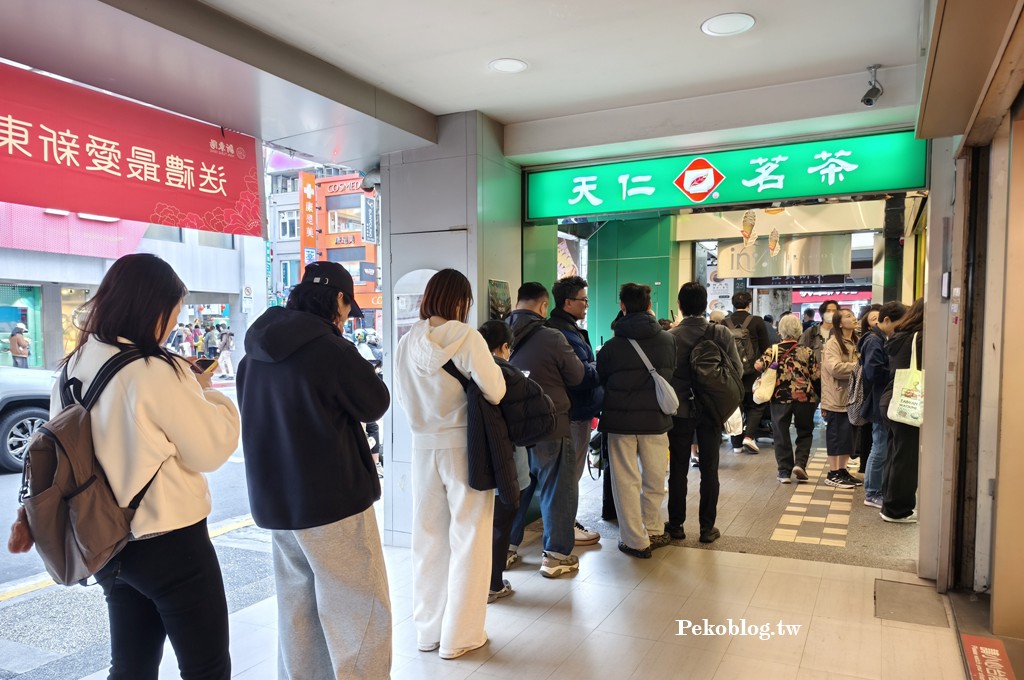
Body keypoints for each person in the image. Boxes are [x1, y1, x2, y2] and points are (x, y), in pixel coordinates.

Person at [28, 254, 240, 679]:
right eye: (172, 316)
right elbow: (211, 450)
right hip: (172, 545)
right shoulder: (155, 370)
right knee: (206, 667)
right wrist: (208, 393)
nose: (171, 327)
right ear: (152, 310)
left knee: (131, 666)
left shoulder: (72, 367)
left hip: (105, 542)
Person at [237, 261, 392, 678]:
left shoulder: (254, 351)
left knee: (297, 612)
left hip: (277, 507)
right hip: (333, 502)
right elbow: (375, 401)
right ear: (340, 300)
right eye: (347, 307)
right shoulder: (332, 348)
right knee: (360, 611)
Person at [394, 269, 505, 660]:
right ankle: (460, 636)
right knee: (470, 538)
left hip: (422, 448)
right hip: (464, 447)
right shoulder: (467, 337)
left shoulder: (406, 342)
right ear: (461, 301)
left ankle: (427, 632)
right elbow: (495, 389)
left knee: (427, 540)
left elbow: (403, 399)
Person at [506, 282, 585, 577]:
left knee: (516, 488)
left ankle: (506, 550)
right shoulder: (552, 336)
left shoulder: (496, 331)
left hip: (512, 426)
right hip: (550, 424)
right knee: (557, 490)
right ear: (542, 306)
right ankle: (555, 556)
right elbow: (577, 376)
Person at [596, 283, 676, 558]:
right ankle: (654, 529)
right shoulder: (668, 340)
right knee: (654, 477)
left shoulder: (610, 347)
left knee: (625, 481)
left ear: (623, 306)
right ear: (649, 306)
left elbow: (602, 380)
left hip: (620, 424)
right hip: (656, 421)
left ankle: (635, 540)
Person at [477, 320, 554, 603]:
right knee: (500, 526)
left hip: (474, 465)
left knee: (479, 527)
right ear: (506, 347)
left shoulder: (468, 371)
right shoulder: (508, 374)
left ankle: (478, 582)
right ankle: (493, 583)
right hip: (508, 464)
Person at [665, 283, 742, 544]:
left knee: (678, 468)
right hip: (710, 410)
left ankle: (676, 525)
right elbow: (737, 372)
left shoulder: (671, 336)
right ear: (705, 303)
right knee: (710, 469)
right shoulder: (720, 333)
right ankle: (707, 529)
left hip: (680, 410)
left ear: (680, 304)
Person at [546, 275, 602, 547]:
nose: (587, 305)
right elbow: (582, 376)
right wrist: (596, 364)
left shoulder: (560, 329)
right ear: (568, 302)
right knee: (569, 476)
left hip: (563, 412)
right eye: (584, 300)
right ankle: (566, 527)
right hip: (573, 413)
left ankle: (561, 525)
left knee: (562, 475)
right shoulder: (564, 334)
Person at [757, 314, 819, 484]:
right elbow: (816, 375)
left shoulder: (773, 350)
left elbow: (758, 365)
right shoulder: (807, 351)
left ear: (780, 331)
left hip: (779, 398)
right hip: (805, 397)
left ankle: (784, 472)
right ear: (799, 330)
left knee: (781, 432)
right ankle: (800, 464)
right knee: (805, 432)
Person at [879, 298, 924, 523]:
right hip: (909, 400)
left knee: (896, 453)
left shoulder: (900, 336)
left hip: (893, 398)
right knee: (905, 457)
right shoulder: (921, 338)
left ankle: (889, 503)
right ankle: (897, 510)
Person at [861, 301, 906, 508]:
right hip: (879, 398)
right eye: (898, 323)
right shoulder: (873, 341)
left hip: (880, 398)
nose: (899, 327)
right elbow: (873, 372)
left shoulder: (880, 338)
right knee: (879, 447)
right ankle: (872, 492)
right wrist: (896, 373)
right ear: (886, 320)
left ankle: (874, 489)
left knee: (879, 446)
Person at [723, 291, 771, 454]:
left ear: (733, 304)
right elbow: (766, 348)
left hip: (732, 373)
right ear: (749, 304)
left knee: (735, 406)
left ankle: (736, 443)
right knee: (756, 404)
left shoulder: (724, 322)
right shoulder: (757, 321)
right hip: (753, 371)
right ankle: (748, 437)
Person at [820, 308, 862, 489]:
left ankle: (843, 470)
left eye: (853, 315)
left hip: (851, 396)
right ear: (839, 323)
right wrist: (860, 366)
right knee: (837, 435)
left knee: (848, 437)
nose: (853, 318)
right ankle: (833, 472)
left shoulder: (856, 340)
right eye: (848, 316)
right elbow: (835, 368)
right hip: (836, 396)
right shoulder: (833, 343)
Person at [799, 299, 840, 365]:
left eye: (834, 311)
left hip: (835, 373)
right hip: (816, 372)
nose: (831, 313)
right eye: (828, 311)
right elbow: (800, 351)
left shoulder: (841, 333)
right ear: (822, 314)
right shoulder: (811, 331)